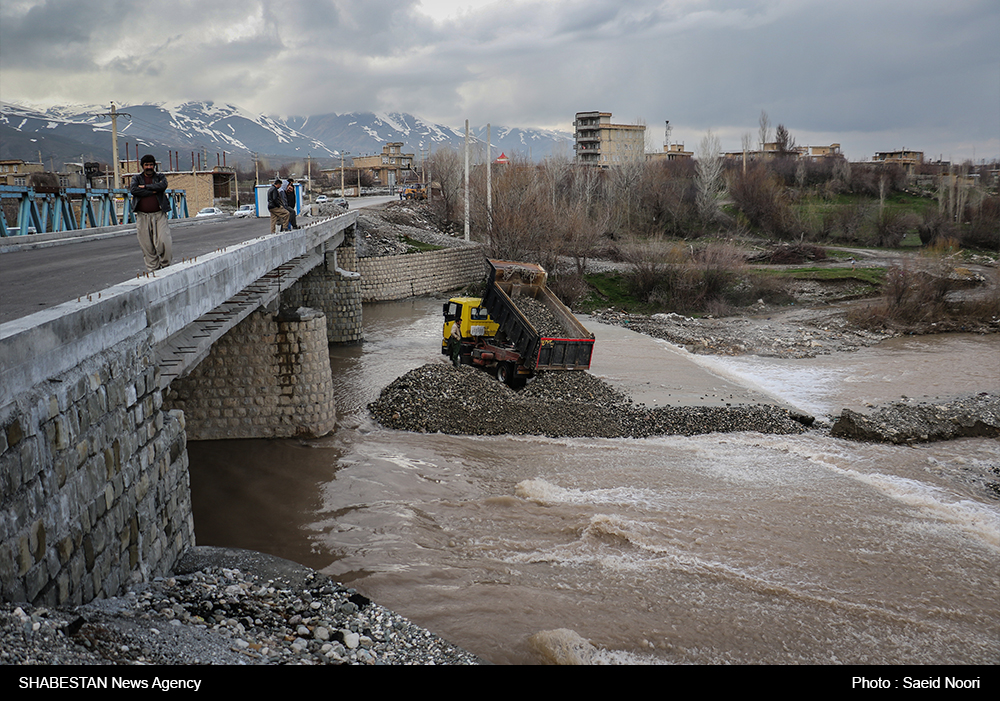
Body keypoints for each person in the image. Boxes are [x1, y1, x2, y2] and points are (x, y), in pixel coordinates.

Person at [130, 154, 172, 272]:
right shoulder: (136, 178)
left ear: (154, 166)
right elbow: (134, 190)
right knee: (147, 245)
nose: (149, 167)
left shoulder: (160, 177)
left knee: (164, 241)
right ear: (142, 166)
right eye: (146, 165)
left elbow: (163, 185)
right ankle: (154, 270)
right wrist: (153, 191)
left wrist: (145, 187)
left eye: (151, 165)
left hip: (159, 214)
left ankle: (166, 267)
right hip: (142, 216)